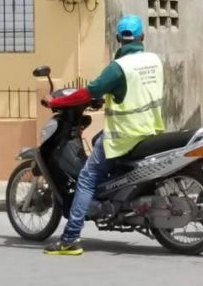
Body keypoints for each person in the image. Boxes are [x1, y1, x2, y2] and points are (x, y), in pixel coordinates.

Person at [42, 15, 165, 255]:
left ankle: (69, 239)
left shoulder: (118, 68)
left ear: (118, 38)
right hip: (150, 128)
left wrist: (56, 101)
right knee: (98, 139)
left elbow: (88, 93)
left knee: (87, 177)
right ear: (142, 37)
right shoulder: (154, 60)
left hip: (125, 134)